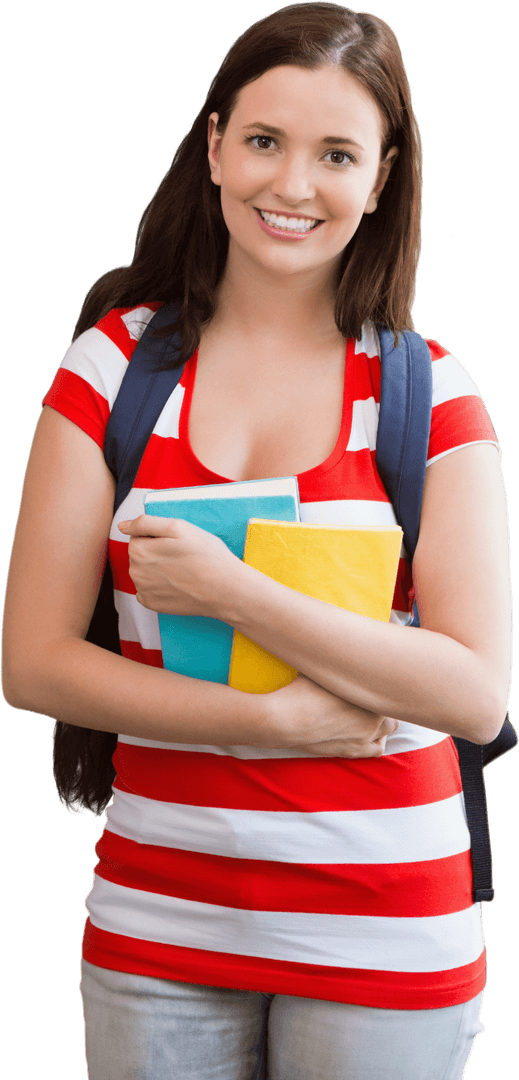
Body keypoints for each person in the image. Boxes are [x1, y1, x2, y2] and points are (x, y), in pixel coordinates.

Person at [1, 3, 511, 1078]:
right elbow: (34, 661)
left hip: (389, 930)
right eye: (267, 142)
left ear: (379, 181)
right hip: (160, 918)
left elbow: (474, 692)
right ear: (217, 143)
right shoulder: (114, 370)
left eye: (336, 154)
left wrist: (238, 593)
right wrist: (265, 722)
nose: (292, 185)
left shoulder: (430, 394)